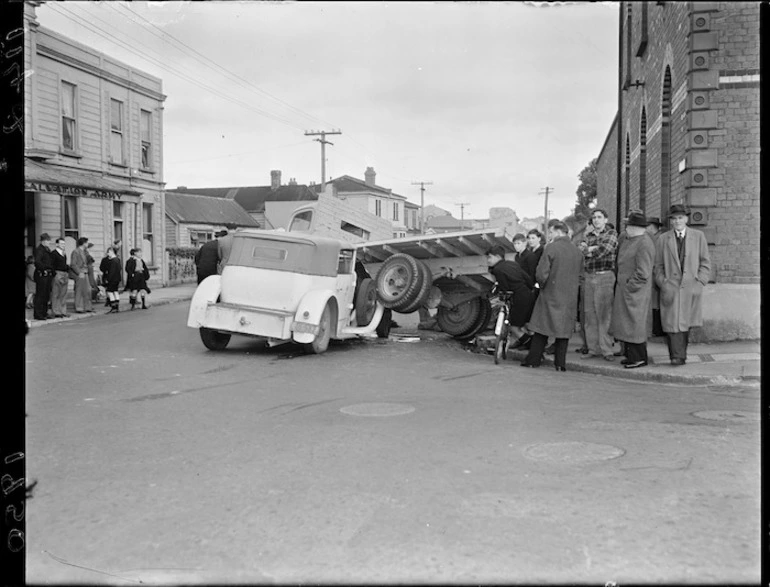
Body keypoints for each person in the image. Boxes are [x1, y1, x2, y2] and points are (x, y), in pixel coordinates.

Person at [653, 204, 711, 366]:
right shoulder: (663, 239)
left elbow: (705, 262)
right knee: (672, 324)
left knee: (685, 323)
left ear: (686, 219)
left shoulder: (698, 236)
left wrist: (700, 282)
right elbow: (657, 266)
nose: (677, 221)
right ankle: (677, 356)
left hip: (691, 287)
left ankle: (680, 355)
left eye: (680, 217)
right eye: (674, 218)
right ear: (670, 221)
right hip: (670, 287)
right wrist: (663, 283)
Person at [521, 221, 583, 371]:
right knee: (563, 330)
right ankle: (560, 364)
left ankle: (533, 359)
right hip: (569, 296)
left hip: (551, 293)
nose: (549, 235)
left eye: (551, 232)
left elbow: (541, 273)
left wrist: (542, 285)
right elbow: (581, 275)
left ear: (557, 232)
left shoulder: (551, 248)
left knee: (542, 328)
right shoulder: (577, 251)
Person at [609, 212, 656, 369]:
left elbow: (643, 272)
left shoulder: (644, 243)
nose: (626, 228)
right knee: (627, 324)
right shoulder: (631, 240)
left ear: (635, 227)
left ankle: (639, 358)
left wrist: (630, 286)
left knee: (634, 324)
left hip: (635, 292)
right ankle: (631, 356)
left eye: (628, 225)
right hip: (627, 290)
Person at [577, 208, 618, 361]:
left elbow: (605, 250)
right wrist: (590, 249)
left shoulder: (612, 234)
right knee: (590, 315)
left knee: (604, 315)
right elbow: (581, 251)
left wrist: (589, 250)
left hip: (605, 276)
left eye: (599, 217)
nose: (596, 220)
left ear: (606, 219)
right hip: (589, 277)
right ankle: (593, 349)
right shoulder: (587, 235)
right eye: (594, 217)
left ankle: (607, 350)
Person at [485, 245, 536, 349]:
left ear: (498, 257)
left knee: (514, 327)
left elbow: (505, 289)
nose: (488, 260)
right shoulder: (513, 264)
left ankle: (531, 346)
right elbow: (528, 280)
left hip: (518, 298)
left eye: (490, 257)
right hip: (528, 295)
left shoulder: (497, 270)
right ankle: (535, 345)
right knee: (527, 323)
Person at [645, 216, 665, 337]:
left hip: (656, 274)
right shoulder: (656, 238)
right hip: (654, 274)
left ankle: (657, 329)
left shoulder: (658, 239)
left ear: (652, 227)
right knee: (654, 302)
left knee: (656, 302)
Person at [33, 233, 55, 320]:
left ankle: (44, 312)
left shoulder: (47, 250)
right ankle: (38, 314)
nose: (49, 242)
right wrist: (43, 270)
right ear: (43, 241)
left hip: (48, 274)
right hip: (42, 274)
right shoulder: (39, 250)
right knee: (40, 295)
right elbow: (38, 262)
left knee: (46, 295)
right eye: (48, 240)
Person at [70, 237, 94, 313]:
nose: (87, 244)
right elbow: (73, 264)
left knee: (87, 290)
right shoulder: (76, 252)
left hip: (85, 272)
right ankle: (79, 307)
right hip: (80, 273)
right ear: (83, 243)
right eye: (86, 243)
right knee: (79, 291)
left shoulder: (85, 252)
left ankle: (87, 307)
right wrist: (79, 272)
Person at [50, 238, 71, 318]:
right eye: (61, 244)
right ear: (57, 244)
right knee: (56, 293)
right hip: (58, 273)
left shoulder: (64, 254)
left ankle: (63, 311)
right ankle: (56, 311)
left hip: (65, 273)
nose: (63, 245)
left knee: (63, 294)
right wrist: (55, 274)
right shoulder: (54, 253)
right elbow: (51, 265)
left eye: (64, 244)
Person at [100, 247, 123, 313]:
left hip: (112, 279)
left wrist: (108, 279)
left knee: (110, 292)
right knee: (115, 291)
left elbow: (112, 271)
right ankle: (117, 307)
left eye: (109, 252)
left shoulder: (113, 261)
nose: (108, 253)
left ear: (112, 252)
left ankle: (113, 307)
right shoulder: (117, 260)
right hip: (117, 278)